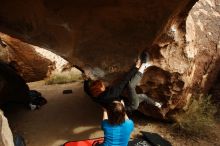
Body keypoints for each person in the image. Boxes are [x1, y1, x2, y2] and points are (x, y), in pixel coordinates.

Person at [83, 52, 162, 112]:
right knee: (130, 86)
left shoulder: (95, 96)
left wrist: (86, 80)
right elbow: (123, 81)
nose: (104, 85)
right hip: (131, 105)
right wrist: (136, 67)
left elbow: (87, 90)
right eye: (102, 85)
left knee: (143, 96)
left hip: (126, 102)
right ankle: (144, 65)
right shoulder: (110, 94)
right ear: (100, 89)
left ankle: (158, 104)